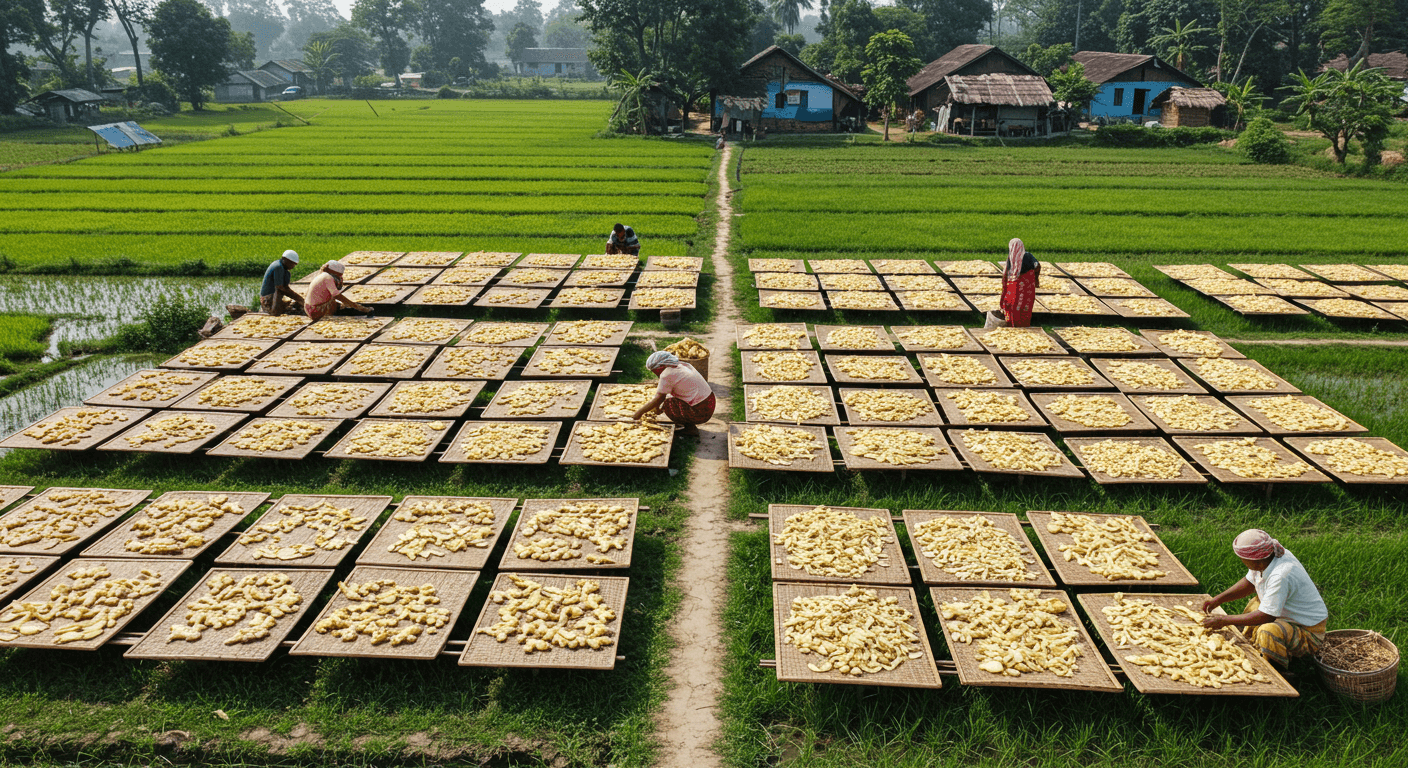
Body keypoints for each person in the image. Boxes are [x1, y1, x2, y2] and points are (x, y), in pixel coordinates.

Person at [1201, 529, 1329, 670]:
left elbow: (1266, 616)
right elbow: (1250, 582)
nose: (1241, 561)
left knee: (1268, 631)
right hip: (1288, 617)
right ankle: (1255, 643)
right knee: (1255, 605)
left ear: (1256, 561)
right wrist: (1218, 599)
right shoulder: (1267, 558)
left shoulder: (1281, 575)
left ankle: (1277, 668)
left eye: (1242, 558)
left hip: (1308, 631)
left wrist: (1224, 620)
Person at [629, 351, 715, 436]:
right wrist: (656, 408)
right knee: (670, 397)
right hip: (709, 402)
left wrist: (639, 413)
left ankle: (690, 429)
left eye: (654, 370)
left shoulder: (667, 374)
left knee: (669, 404)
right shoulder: (682, 365)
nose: (654, 373)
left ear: (661, 366)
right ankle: (689, 424)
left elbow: (659, 398)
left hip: (701, 411)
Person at [304, 260, 372, 321]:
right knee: (339, 304)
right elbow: (337, 295)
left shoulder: (322, 275)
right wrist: (357, 306)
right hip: (317, 311)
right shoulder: (327, 277)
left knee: (339, 303)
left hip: (309, 308)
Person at [999, 237, 1040, 327]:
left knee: (1012, 305)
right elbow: (1037, 266)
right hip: (1027, 289)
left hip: (1013, 287)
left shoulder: (1011, 257)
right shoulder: (1028, 256)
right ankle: (1024, 324)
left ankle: (1011, 323)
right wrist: (1036, 278)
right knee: (1025, 306)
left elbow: (1006, 274)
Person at [260, 250, 305, 316]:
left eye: (294, 264)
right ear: (285, 259)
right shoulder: (278, 267)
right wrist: (299, 299)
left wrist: (298, 298)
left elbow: (286, 287)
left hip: (272, 296)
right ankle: (274, 311)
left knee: (293, 305)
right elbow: (280, 287)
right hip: (267, 300)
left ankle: (279, 307)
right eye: (292, 263)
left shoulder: (284, 269)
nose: (293, 266)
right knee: (279, 290)